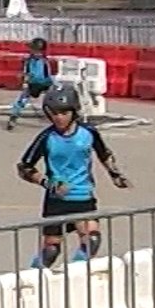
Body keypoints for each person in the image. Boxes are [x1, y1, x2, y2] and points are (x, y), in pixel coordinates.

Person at [16, 85, 130, 269]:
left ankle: (74, 272)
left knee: (91, 238)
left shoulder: (88, 133)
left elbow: (104, 153)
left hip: (83, 195)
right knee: (51, 250)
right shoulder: (47, 138)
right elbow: (24, 167)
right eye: (54, 113)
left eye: (64, 113)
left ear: (74, 111)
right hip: (57, 199)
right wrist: (47, 183)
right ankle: (33, 276)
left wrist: (115, 174)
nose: (59, 118)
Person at [5, 37, 54, 131]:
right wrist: (25, 82)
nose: (32, 51)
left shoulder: (44, 62)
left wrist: (51, 86)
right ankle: (13, 118)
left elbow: (48, 74)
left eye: (34, 49)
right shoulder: (28, 61)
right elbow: (26, 72)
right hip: (32, 84)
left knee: (51, 102)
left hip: (44, 84)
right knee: (21, 100)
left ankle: (55, 120)